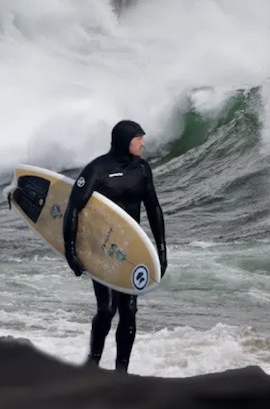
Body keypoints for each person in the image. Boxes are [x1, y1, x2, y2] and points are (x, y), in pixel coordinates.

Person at [62, 119, 167, 373]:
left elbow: (153, 208)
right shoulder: (97, 169)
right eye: (138, 138)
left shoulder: (142, 169)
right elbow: (73, 209)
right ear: (125, 141)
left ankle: (122, 371)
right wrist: (70, 250)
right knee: (107, 309)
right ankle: (93, 362)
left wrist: (161, 250)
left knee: (129, 311)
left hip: (129, 248)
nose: (143, 142)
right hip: (102, 248)